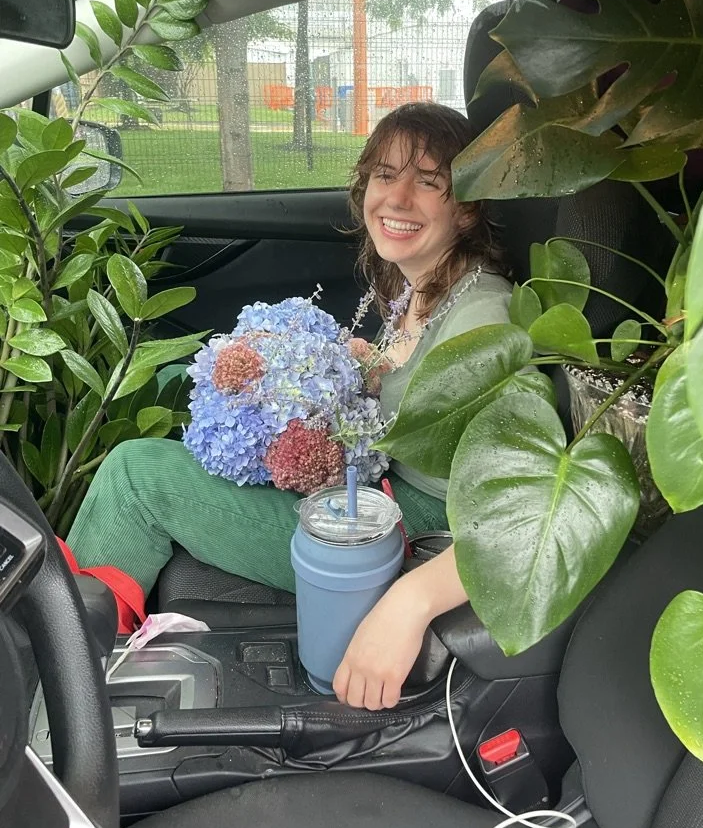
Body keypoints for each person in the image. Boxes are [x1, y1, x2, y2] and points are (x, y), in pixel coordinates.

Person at [67, 102, 513, 711]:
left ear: (467, 206)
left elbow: (519, 515)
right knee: (175, 378)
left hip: (400, 533)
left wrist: (409, 603)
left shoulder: (483, 317)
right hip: (369, 487)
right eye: (384, 176)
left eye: (429, 182)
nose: (397, 198)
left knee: (134, 476)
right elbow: (411, 408)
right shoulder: (419, 289)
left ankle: (69, 667)